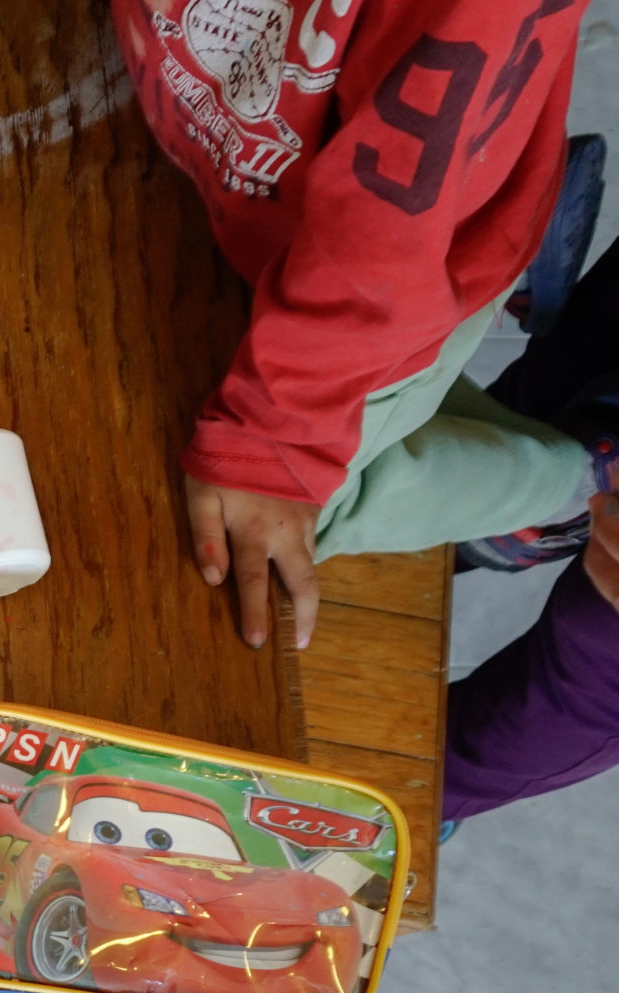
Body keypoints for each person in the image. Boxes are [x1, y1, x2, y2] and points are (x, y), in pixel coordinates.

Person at [114, 0, 619, 820]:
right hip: (321, 202)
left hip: (385, 264)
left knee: (325, 505)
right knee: (399, 405)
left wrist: (275, 442)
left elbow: (384, 241)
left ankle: (570, 481)